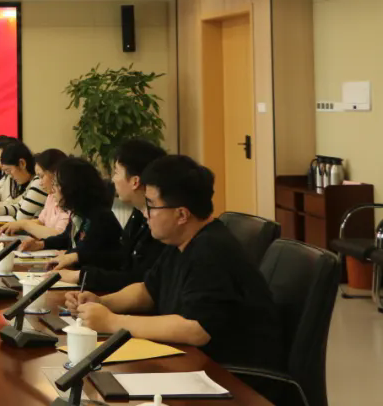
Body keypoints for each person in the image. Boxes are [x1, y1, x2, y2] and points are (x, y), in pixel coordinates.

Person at [67, 155, 282, 371]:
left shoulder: (211, 250)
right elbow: (148, 291)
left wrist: (112, 322)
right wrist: (102, 303)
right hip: (192, 361)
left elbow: (196, 329)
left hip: (230, 375)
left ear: (181, 214)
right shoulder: (180, 241)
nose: (146, 213)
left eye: (151, 205)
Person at [53, 139, 169, 289]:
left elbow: (139, 281)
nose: (112, 180)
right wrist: (79, 258)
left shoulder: (159, 224)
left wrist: (82, 276)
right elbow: (120, 258)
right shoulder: (138, 215)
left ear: (135, 181)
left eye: (116, 172)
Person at [17, 157, 122, 261]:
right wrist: (41, 244)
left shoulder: (100, 219)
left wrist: (68, 254)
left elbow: (85, 252)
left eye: (57, 184)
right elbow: (66, 238)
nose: (53, 190)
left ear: (72, 188)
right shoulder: (80, 212)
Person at [1, 148, 69, 237]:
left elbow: (60, 236)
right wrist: (18, 224)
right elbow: (41, 221)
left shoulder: (68, 201)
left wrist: (24, 224)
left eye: (41, 176)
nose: (40, 183)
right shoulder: (51, 196)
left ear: (55, 174)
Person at [0, 140, 46, 219]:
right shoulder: (25, 179)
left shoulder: (38, 182)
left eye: (9, 170)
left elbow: (21, 216)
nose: (10, 176)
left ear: (22, 163)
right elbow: (18, 207)